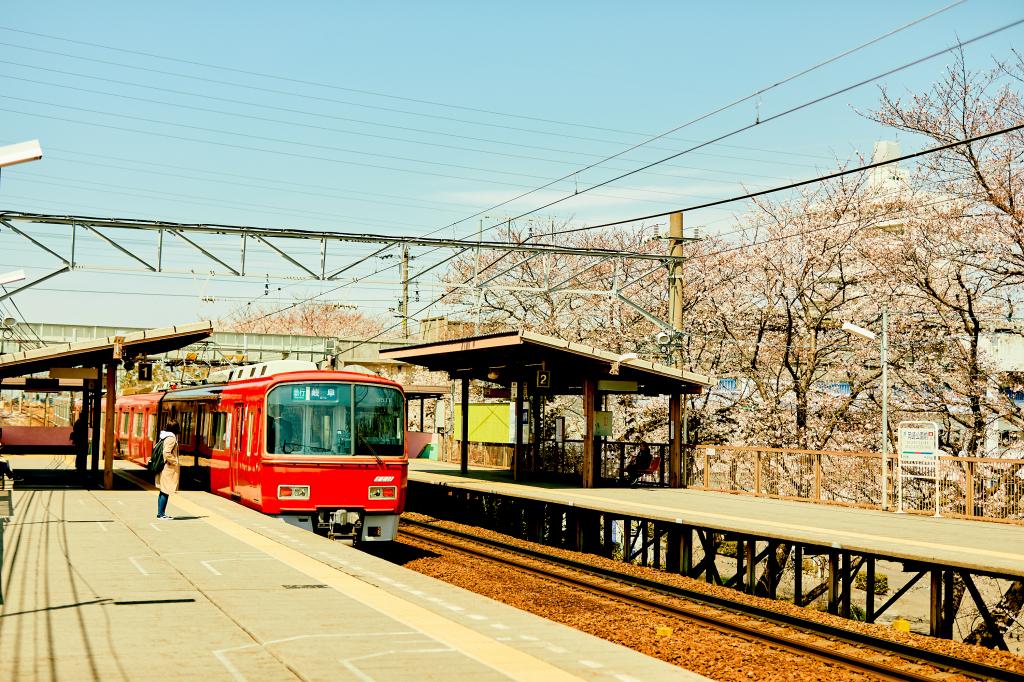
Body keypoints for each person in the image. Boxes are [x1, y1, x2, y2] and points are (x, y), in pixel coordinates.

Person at [155, 420, 181, 519]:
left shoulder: (164, 436)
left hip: (164, 467)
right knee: (166, 491)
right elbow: (166, 452)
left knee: (163, 490)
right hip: (168, 468)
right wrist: (175, 462)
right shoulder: (171, 438)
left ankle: (160, 513)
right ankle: (161, 514)